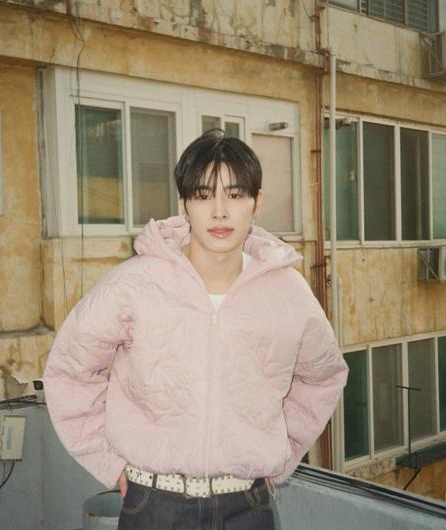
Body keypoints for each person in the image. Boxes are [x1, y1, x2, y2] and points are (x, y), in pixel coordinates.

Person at [43, 129, 348, 529]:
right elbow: (69, 371)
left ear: (257, 203)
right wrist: (108, 461)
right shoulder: (134, 285)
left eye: (235, 195)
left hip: (249, 507)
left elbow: (323, 376)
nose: (220, 212)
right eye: (203, 196)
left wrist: (281, 450)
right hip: (155, 504)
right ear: (184, 204)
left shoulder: (288, 292)